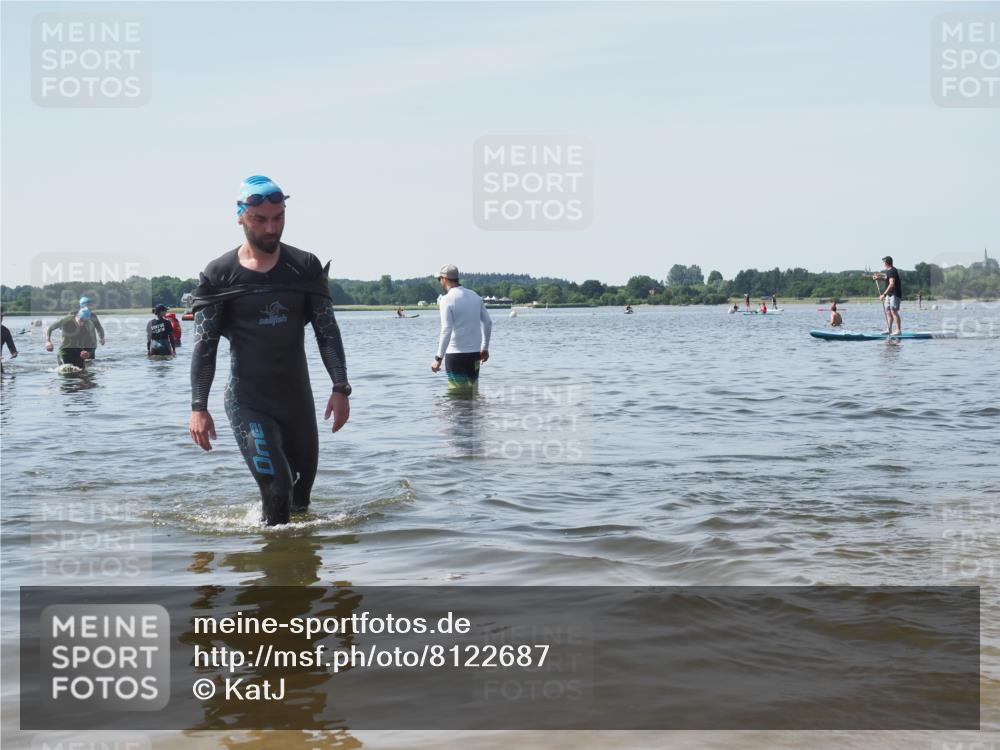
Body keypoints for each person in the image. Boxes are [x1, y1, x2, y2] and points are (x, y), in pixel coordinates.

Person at [188, 175, 351, 526]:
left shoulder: (303, 266)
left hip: (297, 401)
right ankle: (271, 581)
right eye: (260, 219)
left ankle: (298, 573)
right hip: (249, 400)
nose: (271, 227)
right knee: (277, 490)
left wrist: (340, 387)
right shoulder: (220, 275)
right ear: (241, 217)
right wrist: (198, 407)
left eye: (278, 218)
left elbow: (327, 331)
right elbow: (205, 346)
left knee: (301, 499)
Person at [430, 264, 491, 389]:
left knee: (457, 397)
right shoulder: (475, 296)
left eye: (439, 279)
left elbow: (446, 329)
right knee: (472, 393)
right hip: (474, 354)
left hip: (455, 355)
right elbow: (488, 322)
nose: (439, 282)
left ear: (444, 279)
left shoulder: (446, 300)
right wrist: (484, 348)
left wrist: (438, 358)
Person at [872, 255, 902, 335]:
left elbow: (891, 284)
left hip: (894, 294)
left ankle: (898, 330)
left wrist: (884, 295)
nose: (883, 264)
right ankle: (889, 329)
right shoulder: (889, 271)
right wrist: (878, 278)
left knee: (893, 311)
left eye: (884, 262)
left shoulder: (892, 271)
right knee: (888, 311)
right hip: (889, 294)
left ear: (887, 263)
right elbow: (886, 278)